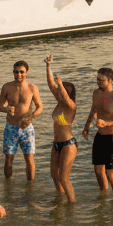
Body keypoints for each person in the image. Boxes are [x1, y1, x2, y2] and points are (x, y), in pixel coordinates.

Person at [81, 67, 113, 198]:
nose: (98, 82)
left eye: (101, 80)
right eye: (97, 79)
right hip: (100, 136)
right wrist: (86, 127)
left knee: (111, 174)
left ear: (110, 80)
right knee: (97, 170)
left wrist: (107, 123)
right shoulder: (96, 93)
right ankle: (103, 198)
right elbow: (93, 111)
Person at [0, 59, 43, 180]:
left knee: (29, 158)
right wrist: (6, 110)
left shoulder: (32, 88)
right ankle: (8, 188)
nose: (19, 75)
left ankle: (30, 188)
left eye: (22, 72)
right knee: (9, 158)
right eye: (16, 72)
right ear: (13, 73)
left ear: (27, 72)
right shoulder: (7, 87)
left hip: (27, 128)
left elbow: (40, 107)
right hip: (11, 127)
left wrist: (31, 117)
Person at [43, 53, 77, 203]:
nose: (56, 92)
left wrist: (61, 85)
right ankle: (61, 201)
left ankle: (72, 205)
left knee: (64, 178)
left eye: (60, 91)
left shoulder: (70, 107)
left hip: (68, 145)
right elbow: (51, 84)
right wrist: (48, 66)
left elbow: (63, 93)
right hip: (56, 144)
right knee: (54, 176)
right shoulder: (59, 103)